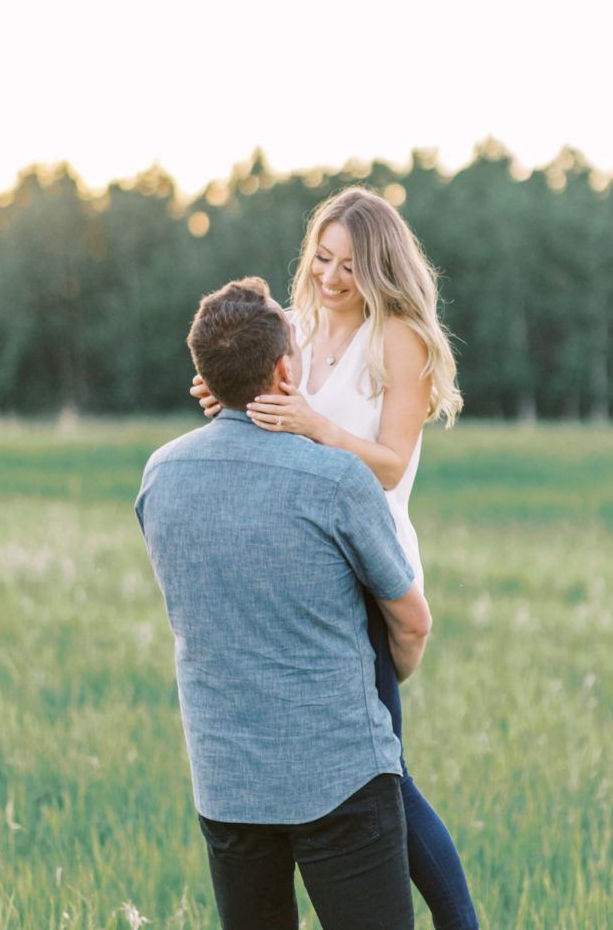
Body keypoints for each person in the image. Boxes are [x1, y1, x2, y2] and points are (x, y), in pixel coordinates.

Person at [191, 188, 480, 930]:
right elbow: (259, 410)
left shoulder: (399, 340)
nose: (329, 277)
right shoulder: (293, 326)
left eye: (349, 266)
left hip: (367, 564)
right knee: (372, 770)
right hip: (298, 563)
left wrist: (316, 426)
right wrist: (222, 396)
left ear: (379, 267)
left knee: (386, 775)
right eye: (321, 257)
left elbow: (387, 464)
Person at [136, 277, 432, 930]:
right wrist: (373, 685)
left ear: (206, 375)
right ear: (282, 368)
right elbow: (411, 624)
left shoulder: (161, 475)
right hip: (342, 773)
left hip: (225, 779)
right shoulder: (335, 479)